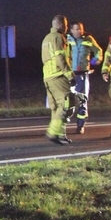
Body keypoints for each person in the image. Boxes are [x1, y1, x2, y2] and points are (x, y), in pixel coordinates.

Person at [42, 14, 74, 144]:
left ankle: (60, 135)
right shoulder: (58, 38)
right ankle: (53, 132)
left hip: (48, 76)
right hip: (58, 75)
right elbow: (60, 58)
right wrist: (70, 75)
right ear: (61, 25)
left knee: (56, 107)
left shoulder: (46, 38)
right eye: (66, 26)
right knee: (67, 103)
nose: (66, 28)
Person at [66, 22, 102, 134]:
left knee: (83, 100)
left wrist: (95, 60)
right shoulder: (66, 39)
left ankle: (80, 125)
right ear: (71, 30)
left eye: (80, 29)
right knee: (66, 101)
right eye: (76, 29)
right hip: (69, 74)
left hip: (82, 73)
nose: (78, 31)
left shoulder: (88, 39)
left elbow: (98, 51)